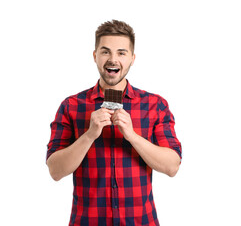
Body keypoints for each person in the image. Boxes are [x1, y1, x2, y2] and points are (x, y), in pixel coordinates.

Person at [46, 20, 182, 226]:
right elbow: (55, 171)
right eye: (105, 52)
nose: (113, 59)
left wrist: (132, 136)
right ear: (95, 56)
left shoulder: (155, 105)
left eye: (121, 53)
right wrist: (89, 135)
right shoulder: (71, 106)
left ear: (132, 58)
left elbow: (172, 166)